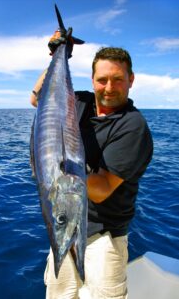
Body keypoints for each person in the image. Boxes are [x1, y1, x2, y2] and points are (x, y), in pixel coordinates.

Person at [30, 32, 153, 299]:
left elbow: (100, 189)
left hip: (103, 241)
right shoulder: (80, 102)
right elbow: (37, 100)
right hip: (65, 229)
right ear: (93, 80)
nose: (109, 87)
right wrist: (57, 55)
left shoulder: (133, 126)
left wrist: (61, 169)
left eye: (118, 80)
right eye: (102, 80)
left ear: (130, 80)